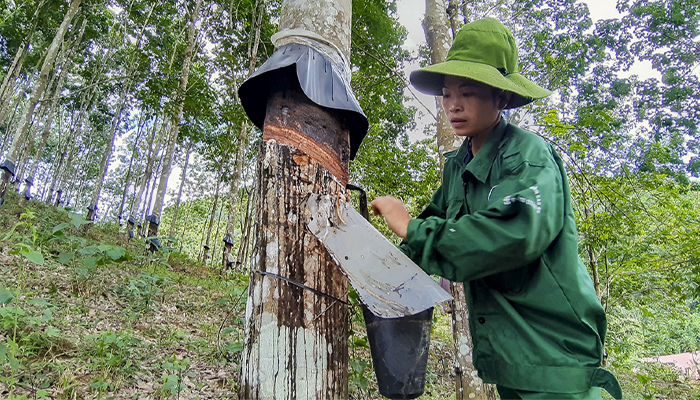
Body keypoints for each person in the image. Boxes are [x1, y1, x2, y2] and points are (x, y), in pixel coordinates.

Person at [370, 18, 622, 400]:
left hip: (553, 352)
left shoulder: (528, 156)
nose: (453, 105)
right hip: (507, 353)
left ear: (501, 99)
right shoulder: (458, 166)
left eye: (467, 93)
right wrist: (376, 264)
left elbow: (517, 233)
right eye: (447, 93)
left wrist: (411, 228)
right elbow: (431, 231)